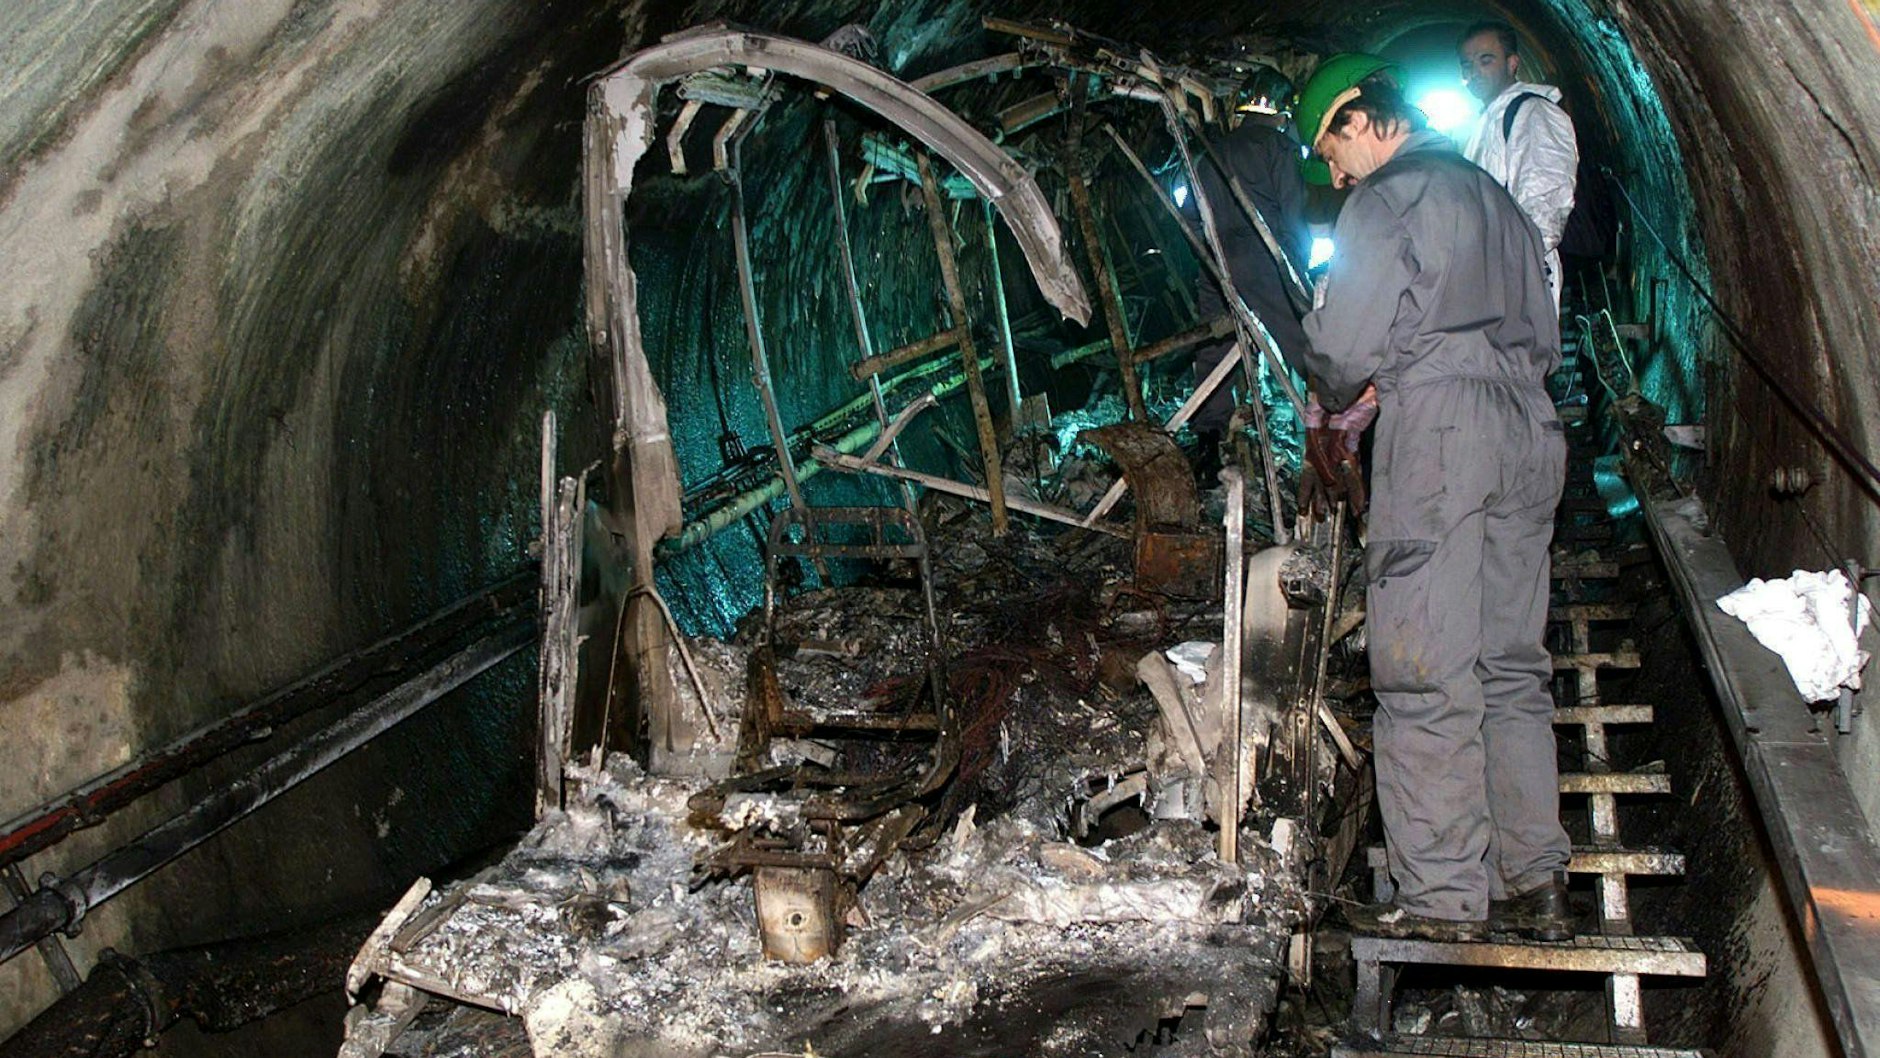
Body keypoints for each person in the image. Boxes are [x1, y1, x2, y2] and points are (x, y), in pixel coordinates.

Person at [1290, 54, 1572, 941]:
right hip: (1533, 429)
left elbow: (1343, 350)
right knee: (1510, 665)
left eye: (1331, 149)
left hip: (1445, 437)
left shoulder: (1388, 198)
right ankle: (1535, 876)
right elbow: (1540, 322)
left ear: (1361, 117)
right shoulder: (1497, 200)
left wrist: (1323, 376)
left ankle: (1445, 896)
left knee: (1423, 667)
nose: (1336, 174)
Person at [1185, 66, 1313, 483]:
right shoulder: (1279, 148)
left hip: (1216, 259)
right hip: (1264, 256)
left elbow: (1190, 216)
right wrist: (1300, 266)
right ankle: (1333, 425)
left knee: (1215, 344)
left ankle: (1207, 443)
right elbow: (1294, 212)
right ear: (1283, 112)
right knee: (1304, 341)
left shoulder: (1209, 152)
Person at [1458, 20, 1579, 310]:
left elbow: (1545, 202)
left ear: (1512, 63)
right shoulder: (1485, 119)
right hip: (1488, 275)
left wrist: (1514, 269)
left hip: (1517, 277)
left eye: (1486, 60)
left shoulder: (1533, 113)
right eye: (1466, 65)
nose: (1474, 72)